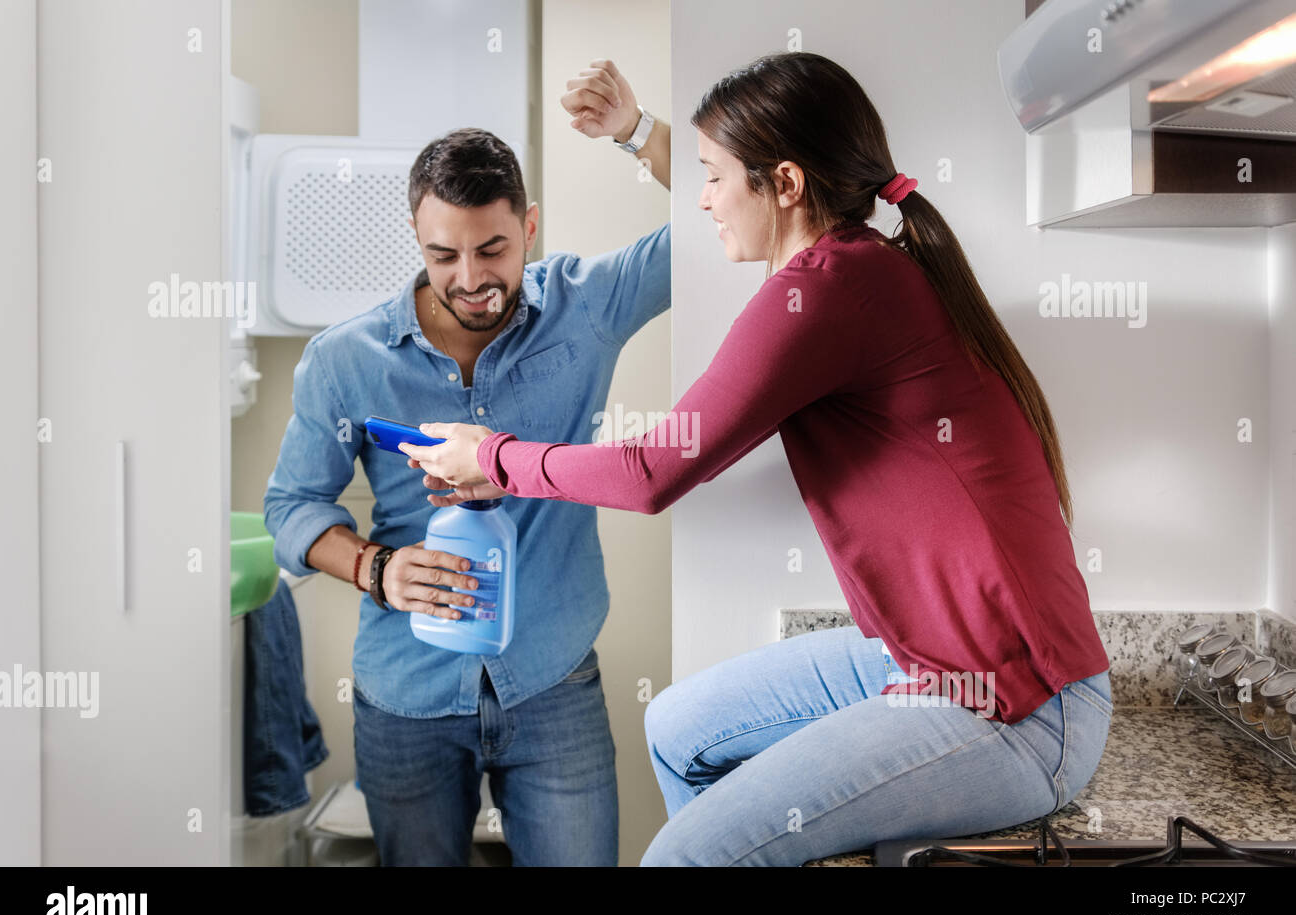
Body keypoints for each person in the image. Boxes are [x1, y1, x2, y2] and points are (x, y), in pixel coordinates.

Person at [400, 51, 1113, 867]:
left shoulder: (826, 292)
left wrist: (493, 457)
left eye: (712, 176)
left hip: (1021, 710)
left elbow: (653, 471)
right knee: (675, 729)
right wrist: (636, 132)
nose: (702, 198)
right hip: (926, 658)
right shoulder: (851, 271)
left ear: (783, 183)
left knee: (680, 858)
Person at [264, 60, 672, 865]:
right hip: (404, 696)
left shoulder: (587, 306)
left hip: (556, 685)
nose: (471, 280)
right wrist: (376, 568)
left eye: (492, 248)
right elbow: (291, 510)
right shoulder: (345, 359)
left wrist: (636, 131)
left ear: (530, 226)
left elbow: (728, 215)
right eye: (443, 256)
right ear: (418, 241)